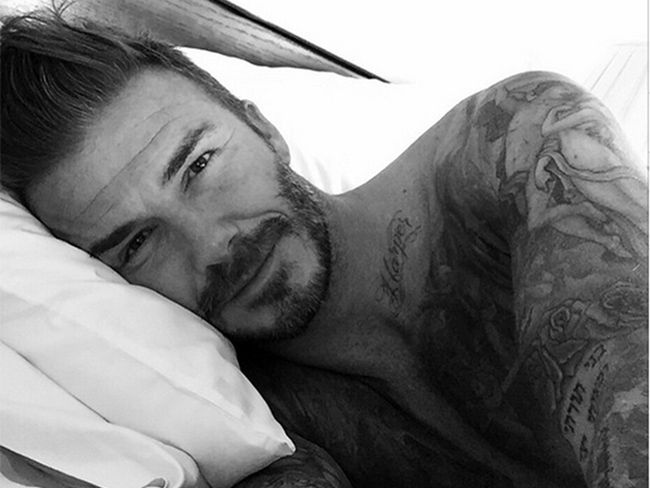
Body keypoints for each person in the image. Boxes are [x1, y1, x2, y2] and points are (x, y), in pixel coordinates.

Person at [1, 8, 647, 488]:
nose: (214, 244)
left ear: (263, 128)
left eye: (199, 165)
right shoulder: (242, 423)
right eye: (139, 243)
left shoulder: (512, 145)